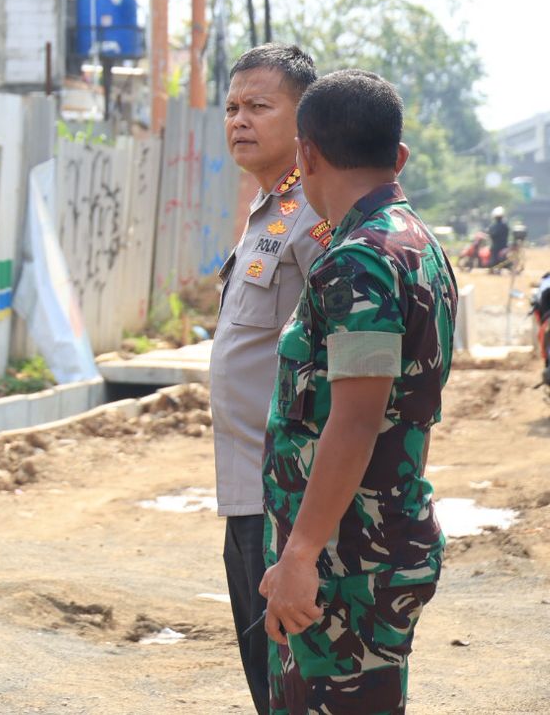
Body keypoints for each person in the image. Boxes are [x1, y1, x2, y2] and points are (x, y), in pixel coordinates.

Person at [260, 69, 456, 714]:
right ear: (398, 156)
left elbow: (356, 418)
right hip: (370, 546)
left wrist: (300, 554)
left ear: (306, 154)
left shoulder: (359, 262)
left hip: (346, 563)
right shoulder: (418, 245)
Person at [209, 44, 326, 715]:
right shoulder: (268, 209)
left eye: (258, 106)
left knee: (296, 686)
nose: (239, 120)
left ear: (305, 118)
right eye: (231, 107)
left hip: (288, 496)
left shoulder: (316, 213)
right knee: (268, 684)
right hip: (246, 489)